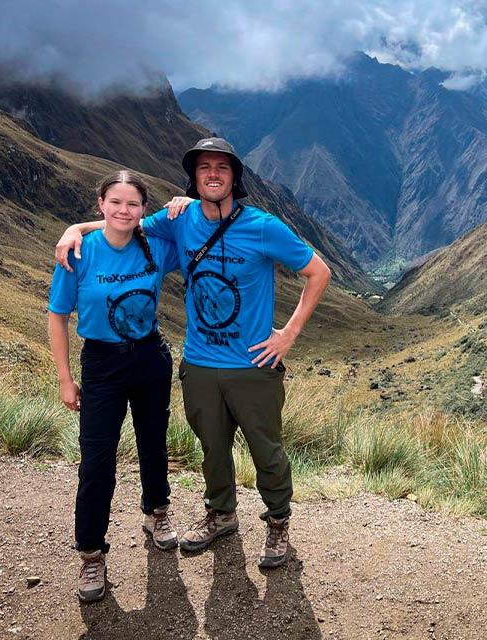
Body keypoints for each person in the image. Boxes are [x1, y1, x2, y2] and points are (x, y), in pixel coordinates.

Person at [55, 138, 332, 569]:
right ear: (194, 177)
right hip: (200, 364)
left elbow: (319, 271)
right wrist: (76, 229)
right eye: (205, 167)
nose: (213, 174)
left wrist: (288, 334)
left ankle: (278, 522)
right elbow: (125, 222)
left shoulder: (263, 226)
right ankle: (221, 515)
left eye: (222, 167)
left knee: (267, 451)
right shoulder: (178, 221)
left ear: (235, 177)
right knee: (212, 450)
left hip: (253, 365)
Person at [48, 171, 181, 603]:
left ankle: (156, 512)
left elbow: (205, 226)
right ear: (100, 204)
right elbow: (58, 315)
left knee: (153, 443)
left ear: (144, 210)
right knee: (97, 461)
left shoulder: (156, 245)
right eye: (116, 202)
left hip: (149, 357)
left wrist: (184, 203)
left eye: (134, 204)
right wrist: (66, 379)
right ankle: (90, 553)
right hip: (102, 364)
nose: (124, 211)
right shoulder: (79, 253)